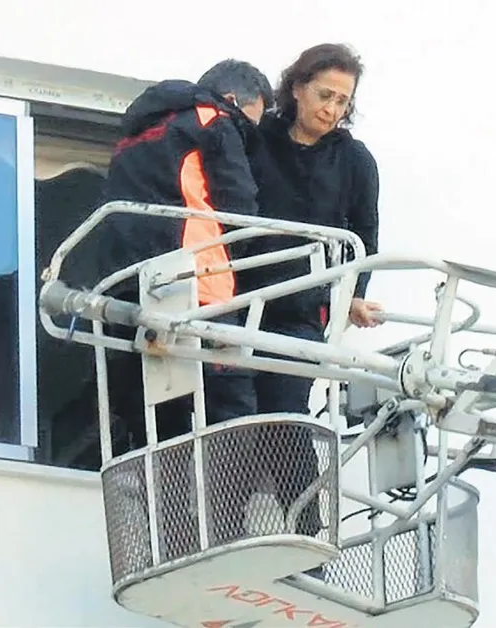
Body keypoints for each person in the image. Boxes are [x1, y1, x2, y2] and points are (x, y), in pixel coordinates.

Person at [94, 59, 274, 550]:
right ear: (234, 101)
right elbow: (240, 207)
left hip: (132, 290)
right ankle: (229, 533)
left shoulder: (134, 134)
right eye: (251, 124)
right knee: (231, 406)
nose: (248, 135)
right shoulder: (214, 120)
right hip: (197, 283)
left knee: (162, 415)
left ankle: (172, 535)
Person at [244, 44, 383, 543]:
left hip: (301, 307)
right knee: (233, 415)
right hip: (238, 298)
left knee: (286, 414)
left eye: (342, 101)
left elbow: (365, 234)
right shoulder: (256, 139)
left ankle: (308, 534)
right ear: (298, 88)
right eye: (325, 95)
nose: (332, 109)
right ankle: (226, 529)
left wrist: (353, 296)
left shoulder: (354, 159)